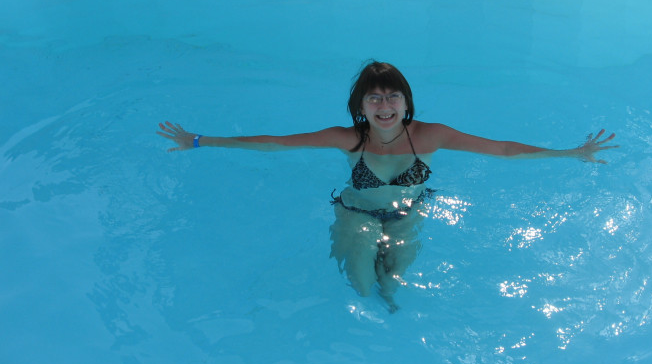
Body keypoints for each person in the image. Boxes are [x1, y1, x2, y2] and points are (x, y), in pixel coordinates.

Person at [158, 61, 617, 312]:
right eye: (374, 97)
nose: (384, 104)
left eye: (392, 95)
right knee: (361, 285)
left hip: (407, 215)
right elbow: (276, 143)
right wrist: (200, 140)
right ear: (360, 107)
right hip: (356, 216)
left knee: (393, 286)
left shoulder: (431, 135)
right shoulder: (348, 139)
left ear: (406, 102)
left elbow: (502, 149)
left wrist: (572, 153)